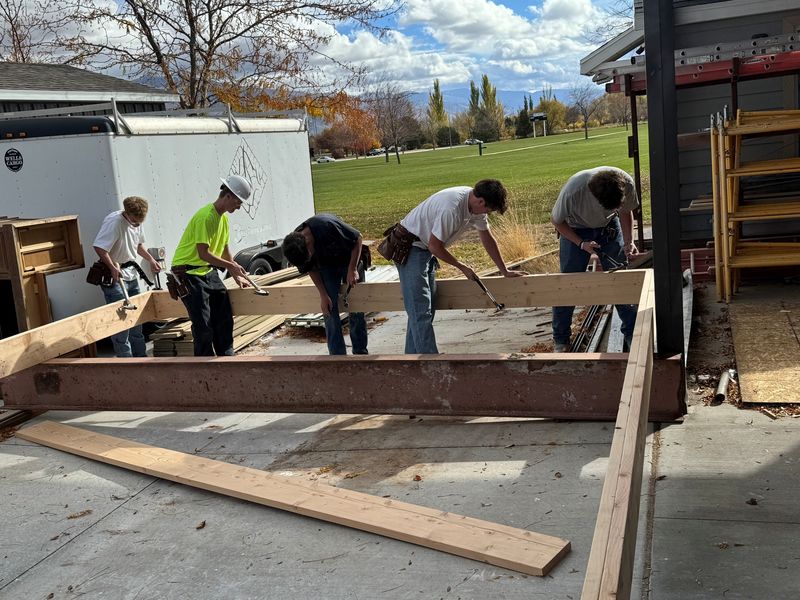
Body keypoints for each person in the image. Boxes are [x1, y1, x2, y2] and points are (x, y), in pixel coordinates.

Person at [393, 179, 524, 354]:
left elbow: (487, 238)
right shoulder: (452, 208)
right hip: (410, 248)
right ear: (481, 201)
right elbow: (435, 246)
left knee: (424, 310)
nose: (487, 214)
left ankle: (411, 361)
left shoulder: (475, 205)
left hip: (425, 249)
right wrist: (462, 267)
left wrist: (504, 270)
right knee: (420, 311)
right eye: (489, 210)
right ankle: (432, 365)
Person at [550, 166, 640, 353]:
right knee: (568, 283)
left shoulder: (627, 184)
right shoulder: (574, 190)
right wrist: (581, 243)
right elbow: (557, 221)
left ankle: (632, 333)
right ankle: (561, 340)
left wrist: (629, 241)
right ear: (595, 196)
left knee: (620, 279)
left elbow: (625, 212)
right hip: (575, 229)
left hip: (609, 226)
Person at [170, 175, 252, 356]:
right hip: (188, 273)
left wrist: (235, 271)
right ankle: (205, 370)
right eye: (238, 202)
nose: (238, 207)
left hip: (206, 271)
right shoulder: (205, 217)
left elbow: (224, 250)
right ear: (228, 196)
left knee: (223, 319)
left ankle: (226, 357)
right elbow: (203, 253)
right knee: (204, 326)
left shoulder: (223, 219)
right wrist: (231, 267)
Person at [282, 214, 368, 355]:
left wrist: (352, 269)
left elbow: (357, 238)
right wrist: (323, 294)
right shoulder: (295, 246)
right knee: (329, 310)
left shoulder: (326, 226)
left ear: (308, 244)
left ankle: (360, 353)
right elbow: (310, 268)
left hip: (348, 260)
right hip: (326, 267)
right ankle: (336, 358)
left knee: (356, 307)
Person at [93, 195, 162, 357]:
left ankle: (140, 357)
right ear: (127, 214)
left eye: (140, 222)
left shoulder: (137, 221)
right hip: (115, 278)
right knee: (121, 323)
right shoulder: (114, 223)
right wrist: (111, 267)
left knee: (137, 319)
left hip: (130, 275)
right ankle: (126, 361)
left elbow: (138, 245)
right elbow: (99, 247)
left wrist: (151, 260)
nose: (138, 225)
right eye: (135, 221)